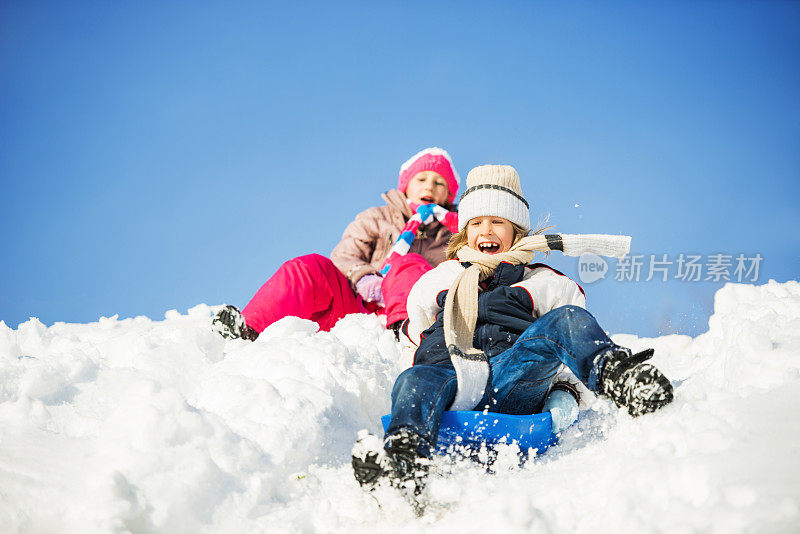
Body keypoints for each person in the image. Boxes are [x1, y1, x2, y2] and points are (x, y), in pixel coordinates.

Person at [351, 164, 674, 495]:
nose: (486, 231)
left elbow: (566, 346)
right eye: (476, 223)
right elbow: (415, 340)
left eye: (497, 222)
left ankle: (620, 377)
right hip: (452, 379)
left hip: (514, 378)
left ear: (516, 231)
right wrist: (421, 384)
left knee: (567, 318)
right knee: (415, 378)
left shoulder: (544, 282)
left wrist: (568, 396)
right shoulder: (437, 280)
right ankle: (404, 456)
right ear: (464, 231)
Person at [212, 148, 461, 340]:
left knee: (409, 264)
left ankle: (407, 338)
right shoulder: (378, 218)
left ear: (448, 195)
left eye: (439, 183)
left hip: (415, 318)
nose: (429, 185)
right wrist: (365, 279)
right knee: (308, 267)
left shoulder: (455, 235)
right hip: (357, 306)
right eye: (422, 179)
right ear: (406, 186)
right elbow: (345, 256)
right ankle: (249, 330)